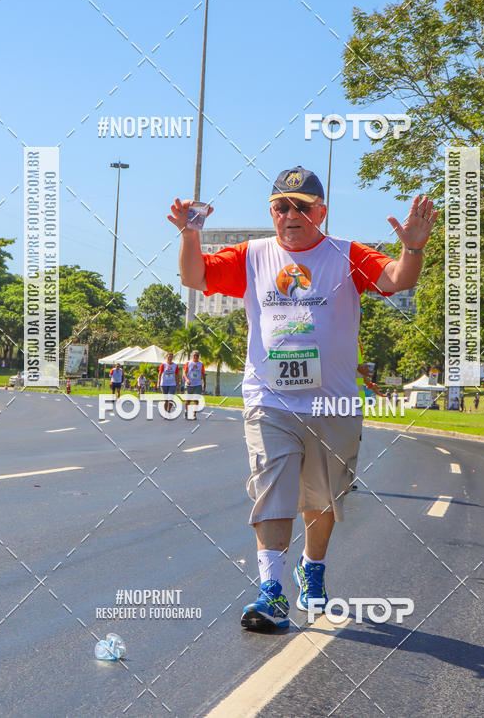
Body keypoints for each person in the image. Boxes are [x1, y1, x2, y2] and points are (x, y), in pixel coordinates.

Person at [169, 165, 437, 631]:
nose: (291, 214)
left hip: (332, 404)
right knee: (272, 488)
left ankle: (311, 570)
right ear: (271, 213)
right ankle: (271, 592)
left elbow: (397, 280)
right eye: (281, 206)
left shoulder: (346, 254)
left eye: (302, 206)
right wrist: (191, 234)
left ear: (321, 212)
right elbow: (194, 276)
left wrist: (412, 247)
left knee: (322, 498)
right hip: (269, 400)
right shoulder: (252, 255)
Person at [183, 350, 206, 419]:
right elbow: (184, 372)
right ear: (192, 356)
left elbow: (203, 374)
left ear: (199, 356)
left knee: (196, 400)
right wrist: (187, 379)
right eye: (194, 355)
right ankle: (186, 411)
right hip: (189, 384)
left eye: (197, 355)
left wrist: (204, 383)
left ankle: (194, 414)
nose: (195, 357)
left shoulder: (201, 364)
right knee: (188, 400)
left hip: (198, 384)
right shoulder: (188, 363)